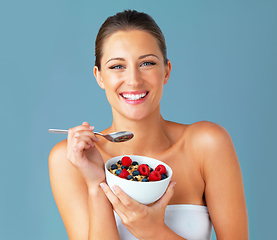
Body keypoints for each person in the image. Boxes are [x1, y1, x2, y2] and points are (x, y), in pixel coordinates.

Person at [49, 10, 249, 240]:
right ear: (99, 76)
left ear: (166, 71)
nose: (133, 80)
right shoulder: (72, 160)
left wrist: (154, 231)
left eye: (146, 63)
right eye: (117, 66)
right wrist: (97, 185)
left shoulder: (208, 144)